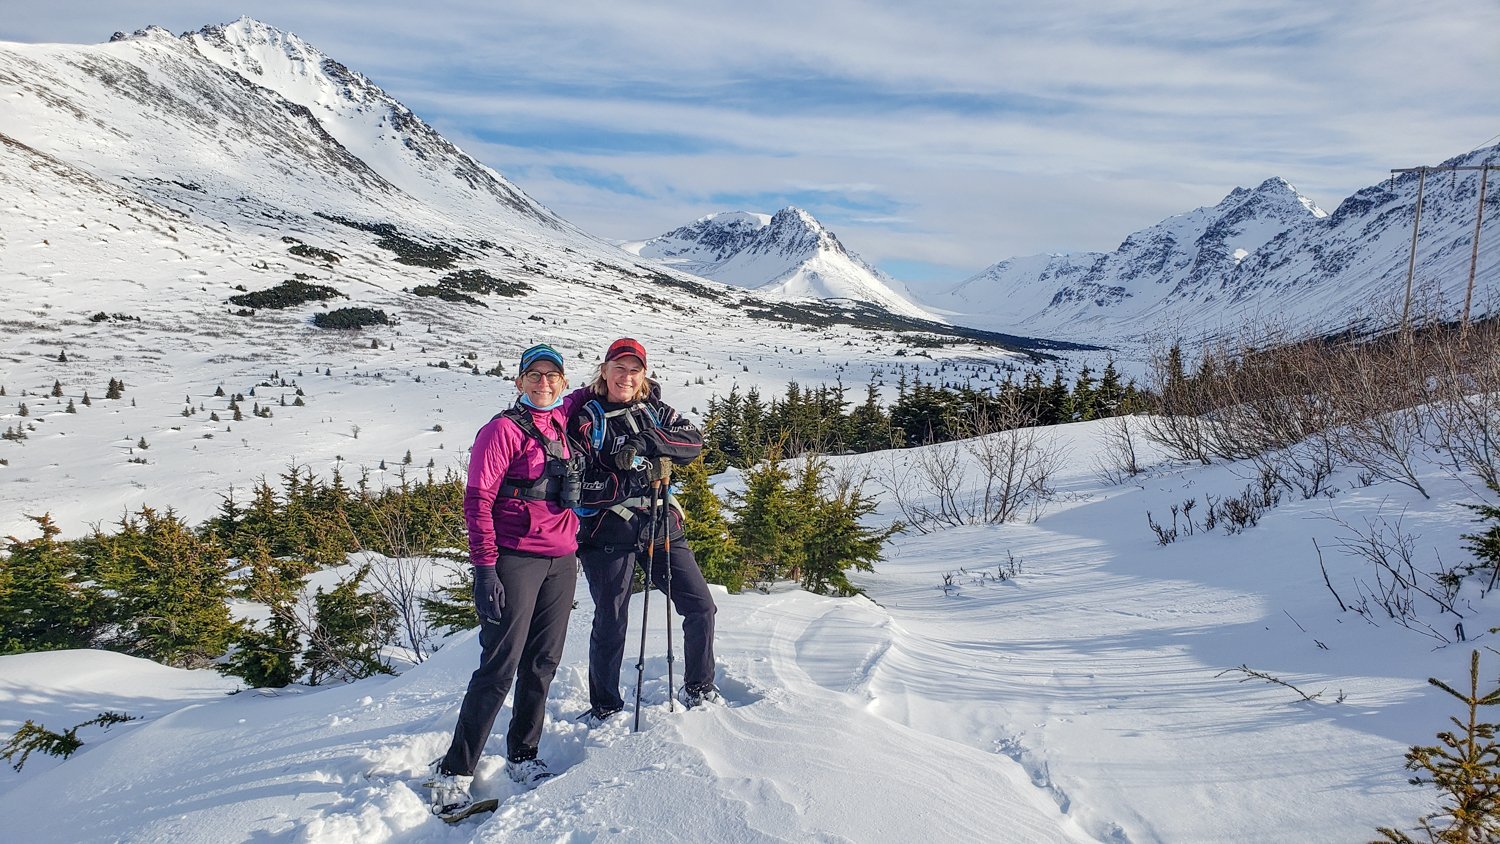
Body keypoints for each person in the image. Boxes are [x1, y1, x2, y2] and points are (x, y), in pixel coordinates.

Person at [426, 343, 584, 816]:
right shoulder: (501, 430)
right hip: (515, 559)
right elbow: (477, 501)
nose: (543, 383)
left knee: (543, 662)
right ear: (518, 382)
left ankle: (523, 754)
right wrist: (485, 569)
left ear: (562, 381)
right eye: (533, 375)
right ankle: (453, 772)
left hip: (562, 559)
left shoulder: (563, 423)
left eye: (552, 375)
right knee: (498, 666)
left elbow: (608, 390)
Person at [569, 337, 721, 726]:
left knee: (700, 605)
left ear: (643, 375)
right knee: (611, 619)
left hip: (659, 524)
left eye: (634, 370)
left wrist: (648, 443)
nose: (626, 376)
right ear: (604, 371)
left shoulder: (655, 409)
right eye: (619, 368)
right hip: (606, 533)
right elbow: (584, 473)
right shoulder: (586, 417)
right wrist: (628, 468)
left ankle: (700, 686)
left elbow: (693, 440)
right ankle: (605, 706)